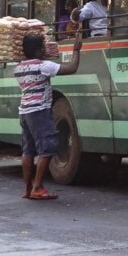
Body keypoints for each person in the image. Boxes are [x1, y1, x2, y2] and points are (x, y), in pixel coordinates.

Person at [15, 31, 82, 200]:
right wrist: (76, 50)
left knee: (28, 151)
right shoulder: (43, 66)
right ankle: (37, 187)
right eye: (42, 47)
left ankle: (28, 188)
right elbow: (72, 68)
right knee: (47, 149)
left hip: (24, 111)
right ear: (38, 50)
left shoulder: (19, 68)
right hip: (39, 111)